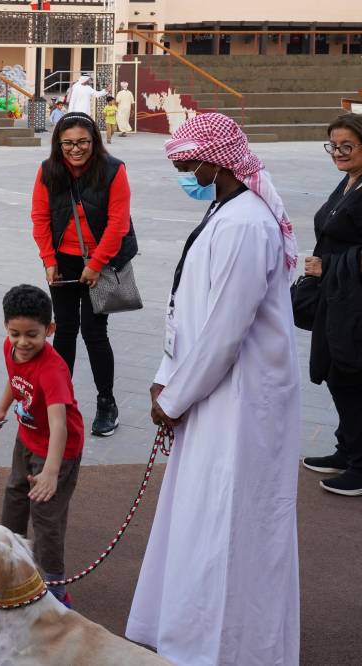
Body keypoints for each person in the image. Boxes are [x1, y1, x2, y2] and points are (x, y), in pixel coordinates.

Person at [126, 113, 301, 665]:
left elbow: (225, 329)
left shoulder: (246, 223)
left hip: (241, 399)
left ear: (213, 161)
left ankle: (234, 647)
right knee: (200, 515)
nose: (180, 169)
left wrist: (175, 398)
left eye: (185, 161)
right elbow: (190, 307)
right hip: (210, 392)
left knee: (231, 520)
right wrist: (166, 374)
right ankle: (190, 635)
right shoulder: (223, 211)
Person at [31, 112, 136, 436]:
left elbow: (118, 222)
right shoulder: (48, 170)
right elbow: (40, 217)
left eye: (82, 142)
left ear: (94, 141)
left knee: (94, 331)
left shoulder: (113, 170)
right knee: (64, 330)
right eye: (68, 143)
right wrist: (48, 260)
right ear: (58, 144)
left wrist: (96, 263)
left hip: (101, 261)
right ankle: (59, 402)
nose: (75, 149)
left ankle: (107, 402)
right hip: (63, 262)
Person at [0, 284, 85, 609]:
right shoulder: (10, 347)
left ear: (49, 329)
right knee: (14, 495)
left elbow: (59, 425)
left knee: (45, 516)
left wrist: (51, 472)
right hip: (27, 436)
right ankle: (8, 559)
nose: (23, 343)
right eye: (15, 333)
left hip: (58, 450)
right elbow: (15, 380)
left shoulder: (53, 370)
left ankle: (55, 586)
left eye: (32, 335)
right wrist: (1, 409)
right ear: (6, 327)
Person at [301, 113, 362, 496]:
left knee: (350, 376)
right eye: (333, 146)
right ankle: (348, 449)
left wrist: (330, 266)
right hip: (336, 296)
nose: (338, 153)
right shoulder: (350, 181)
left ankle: (360, 465)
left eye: (347, 146)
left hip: (354, 300)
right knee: (335, 372)